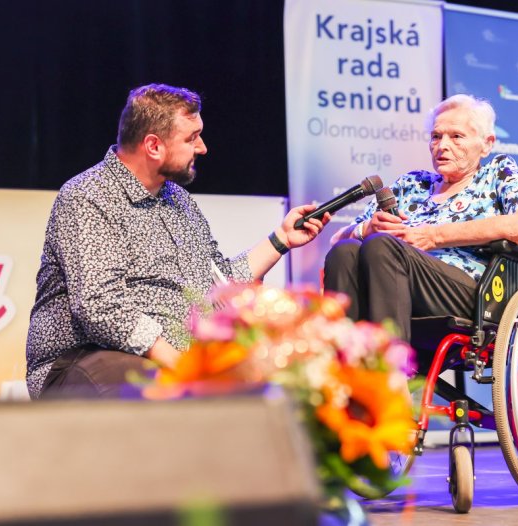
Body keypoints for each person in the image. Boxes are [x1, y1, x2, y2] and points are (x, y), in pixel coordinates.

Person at [26, 84, 329, 399]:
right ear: (154, 146)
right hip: (80, 359)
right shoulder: (89, 196)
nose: (202, 148)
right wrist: (183, 365)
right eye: (191, 138)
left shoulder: (179, 200)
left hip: (168, 360)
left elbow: (217, 286)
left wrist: (281, 239)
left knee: (272, 389)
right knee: (162, 393)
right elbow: (99, 307)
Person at [323, 94, 518, 343]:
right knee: (345, 252)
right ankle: (345, 367)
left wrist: (434, 236)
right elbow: (336, 239)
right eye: (436, 136)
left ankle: (391, 369)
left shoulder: (496, 173)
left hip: (470, 291)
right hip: (393, 281)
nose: (442, 146)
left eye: (456, 136)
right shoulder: (412, 183)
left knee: (383, 247)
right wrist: (367, 228)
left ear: (486, 144)